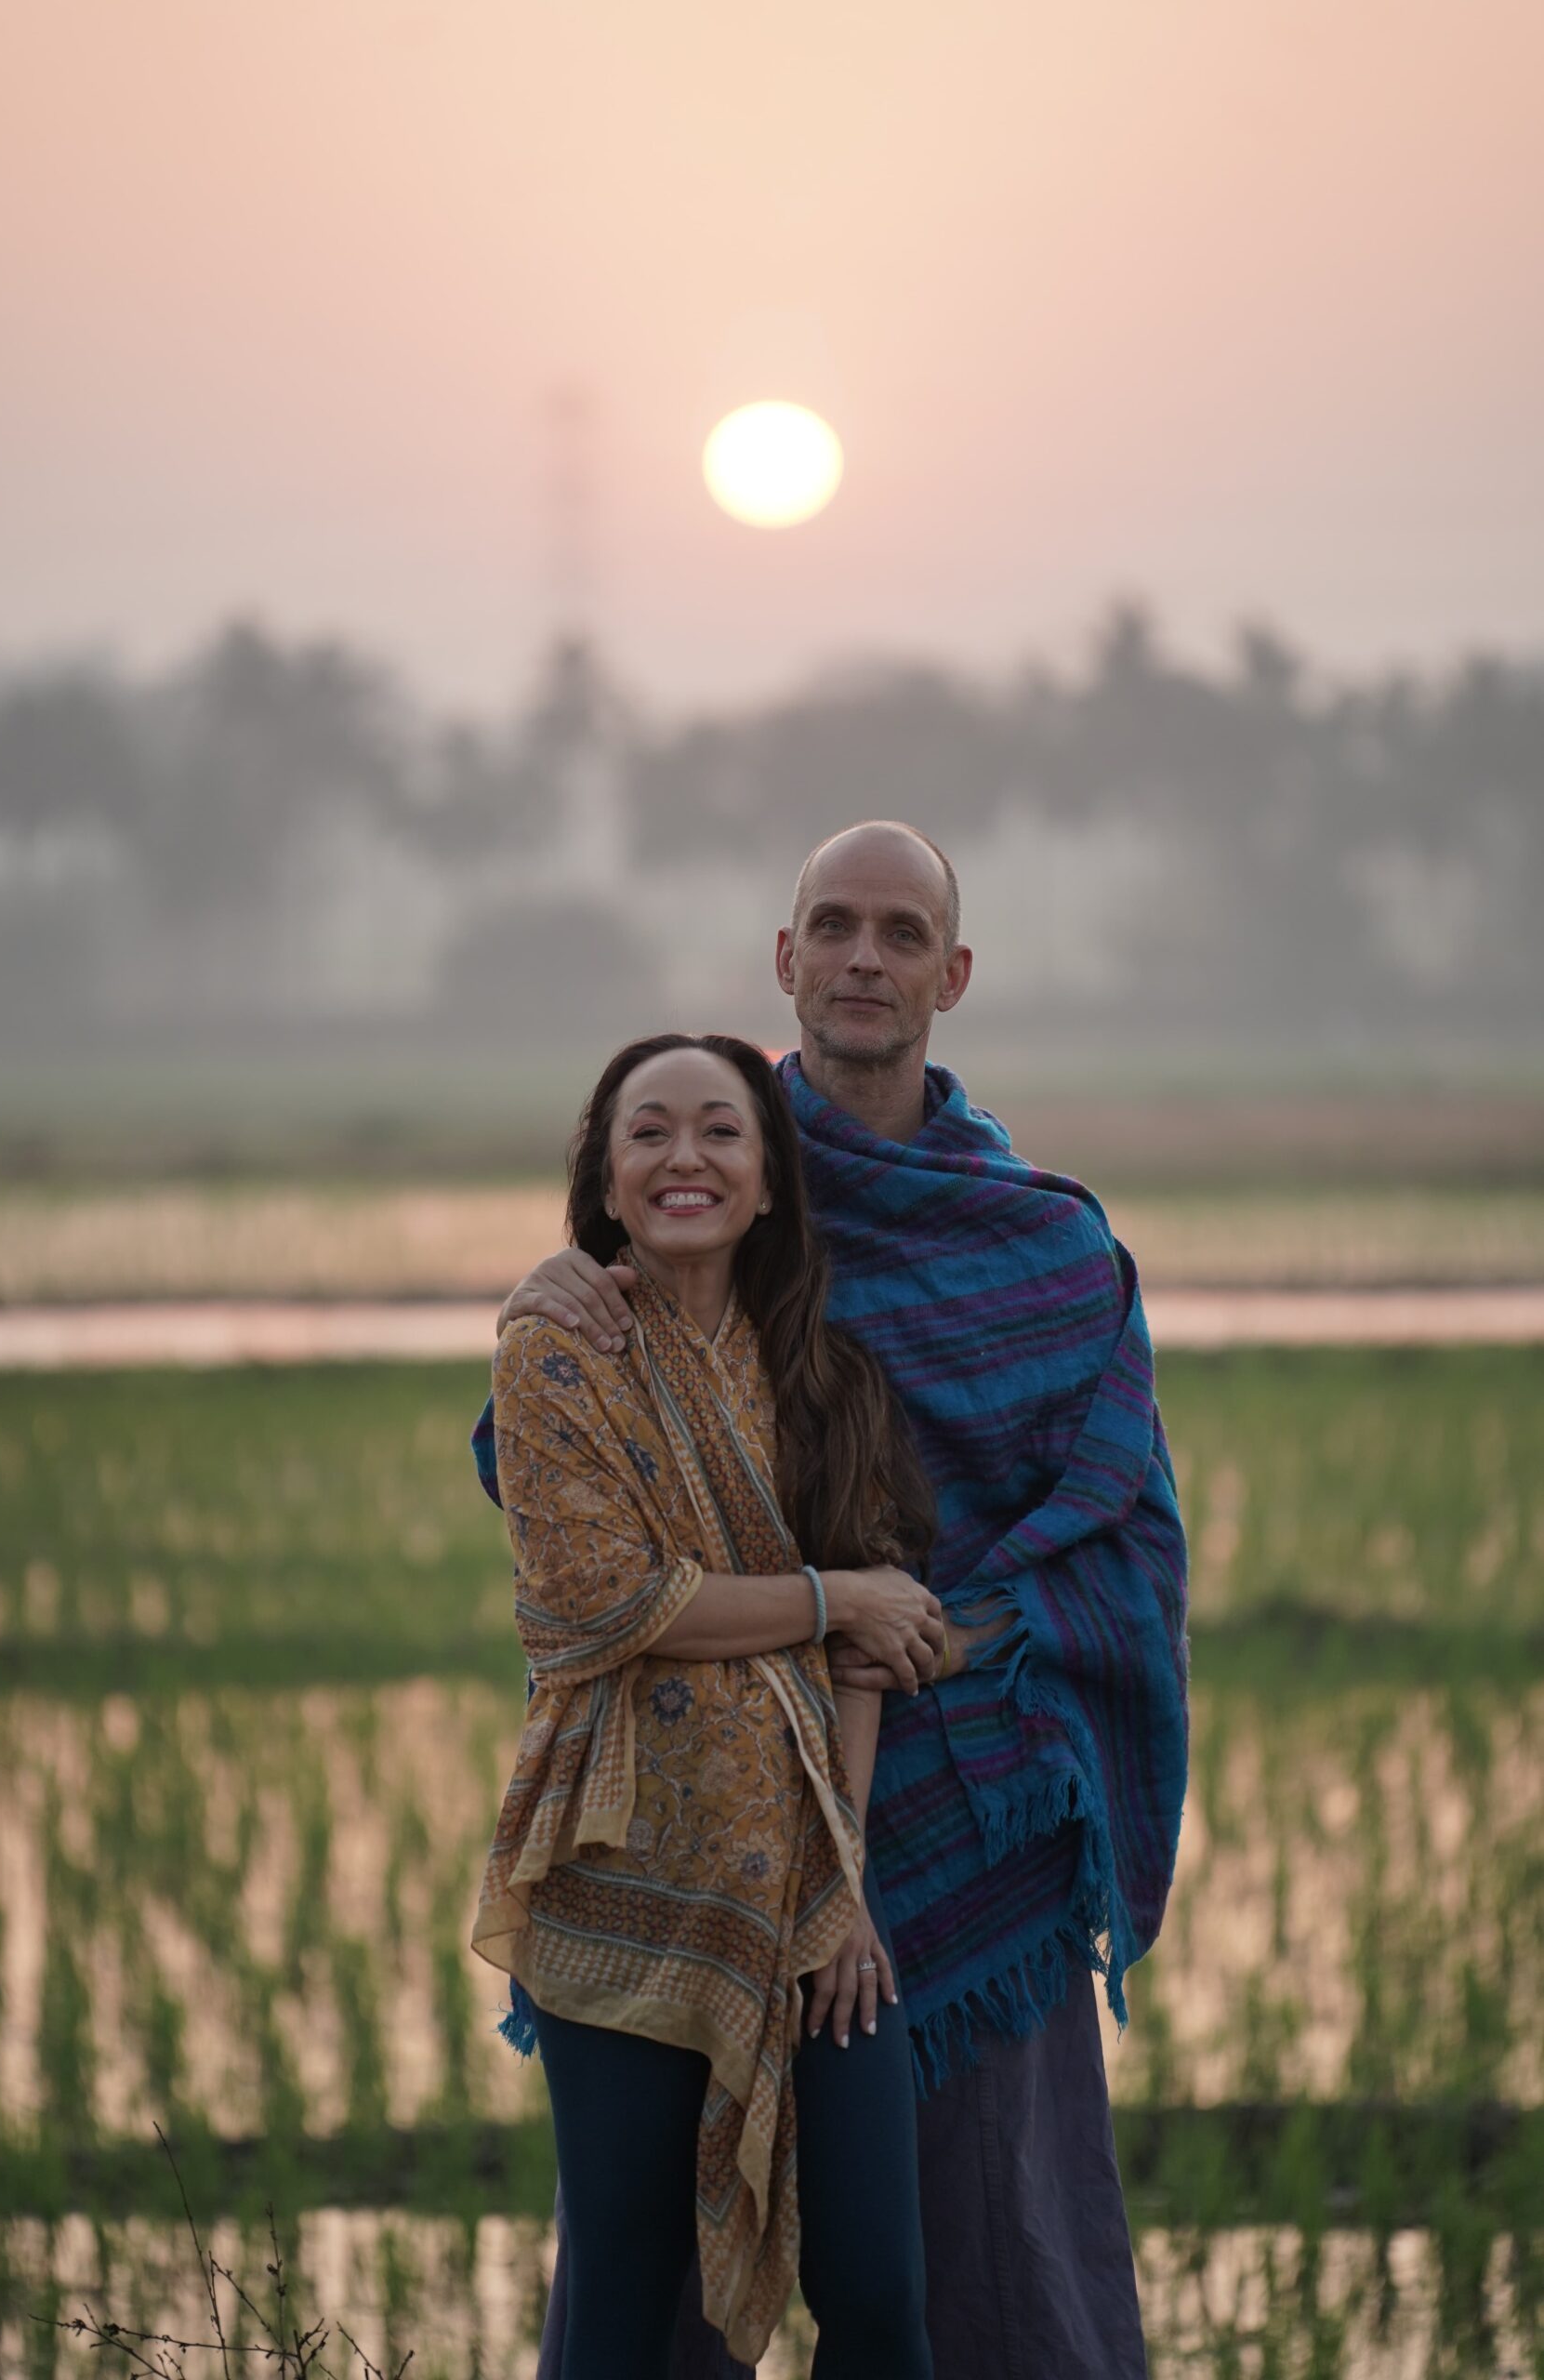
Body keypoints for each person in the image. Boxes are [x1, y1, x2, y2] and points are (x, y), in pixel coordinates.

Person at [478, 821, 1192, 2380]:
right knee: (645, 2281)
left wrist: (933, 1640)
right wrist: (555, 1288)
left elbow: (1116, 1527)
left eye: (902, 930)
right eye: (836, 926)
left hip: (962, 1795)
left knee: (968, 2263)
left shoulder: (1048, 1249)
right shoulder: (705, 1192)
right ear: (784, 960)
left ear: (954, 971)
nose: (867, 958)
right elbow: (564, 1501)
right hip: (686, 1814)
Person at [470, 1028, 944, 2379]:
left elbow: (872, 1655)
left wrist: (844, 1883)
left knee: (879, 2296)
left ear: (771, 1180)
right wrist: (833, 1594)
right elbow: (605, 1606)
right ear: (608, 1184)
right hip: (621, 1884)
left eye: (723, 1131)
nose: (688, 1156)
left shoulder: (824, 1379)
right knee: (620, 2285)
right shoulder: (556, 1353)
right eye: (651, 1133)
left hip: (808, 1898)